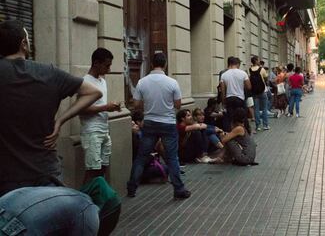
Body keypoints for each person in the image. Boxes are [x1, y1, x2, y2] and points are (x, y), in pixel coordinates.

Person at [0, 19, 103, 234]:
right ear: (24, 44)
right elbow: (94, 92)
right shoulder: (48, 73)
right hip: (46, 176)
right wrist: (61, 120)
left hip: (6, 181)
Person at [127, 52, 190, 199]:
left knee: (141, 157)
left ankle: (131, 188)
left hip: (150, 122)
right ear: (165, 64)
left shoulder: (142, 82)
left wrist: (148, 105)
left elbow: (136, 104)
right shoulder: (172, 82)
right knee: (172, 157)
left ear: (151, 64)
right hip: (168, 123)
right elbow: (178, 104)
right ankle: (179, 189)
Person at [79, 48, 121, 184]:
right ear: (96, 63)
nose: (109, 70)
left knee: (102, 167)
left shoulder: (103, 81)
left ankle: (97, 198)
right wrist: (105, 107)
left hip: (104, 129)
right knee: (92, 170)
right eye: (107, 65)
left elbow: (100, 105)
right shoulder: (85, 82)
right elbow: (81, 109)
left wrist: (112, 107)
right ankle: (83, 201)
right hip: (92, 131)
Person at [220, 56, 251, 132]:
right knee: (242, 116)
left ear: (229, 64)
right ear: (237, 64)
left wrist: (223, 101)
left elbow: (222, 90)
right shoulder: (243, 73)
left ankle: (231, 133)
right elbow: (249, 87)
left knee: (230, 117)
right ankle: (245, 132)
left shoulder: (224, 75)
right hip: (240, 98)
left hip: (229, 98)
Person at [249, 56, 269, 132]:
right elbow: (266, 78)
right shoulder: (262, 69)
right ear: (256, 61)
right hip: (262, 91)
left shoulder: (249, 70)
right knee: (264, 108)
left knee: (256, 109)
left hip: (254, 92)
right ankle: (265, 125)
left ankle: (257, 126)